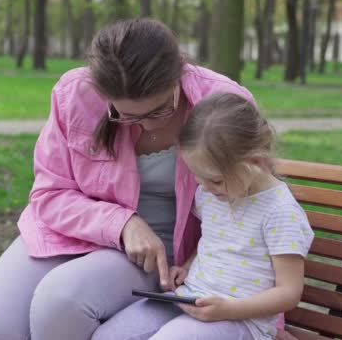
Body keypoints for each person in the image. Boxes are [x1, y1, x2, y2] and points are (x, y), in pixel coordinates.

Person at [0, 18, 284, 340]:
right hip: (67, 235)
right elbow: (49, 194)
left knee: (62, 299)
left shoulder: (221, 102)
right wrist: (123, 224)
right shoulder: (74, 94)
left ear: (177, 78)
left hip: (159, 258)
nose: (146, 126)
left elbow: (252, 198)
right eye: (125, 115)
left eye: (158, 111)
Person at [92, 93, 315, 339]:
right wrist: (188, 266)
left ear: (256, 162)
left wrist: (229, 310)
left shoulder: (280, 213)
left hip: (242, 321)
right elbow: (215, 240)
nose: (204, 187)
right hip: (190, 296)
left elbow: (289, 292)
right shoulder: (214, 194)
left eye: (215, 179)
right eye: (197, 176)